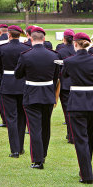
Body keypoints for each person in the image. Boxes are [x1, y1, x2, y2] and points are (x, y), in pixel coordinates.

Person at [62, 32, 93, 184]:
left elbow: (64, 76)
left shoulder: (69, 61)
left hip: (76, 102)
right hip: (92, 103)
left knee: (81, 140)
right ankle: (85, 169)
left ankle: (86, 173)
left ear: (75, 44)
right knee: (89, 138)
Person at [14, 26, 60, 169]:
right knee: (45, 126)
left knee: (34, 128)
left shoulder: (25, 55)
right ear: (44, 39)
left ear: (30, 39)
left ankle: (38, 159)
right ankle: (43, 154)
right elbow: (56, 76)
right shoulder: (54, 55)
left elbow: (18, 74)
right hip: (47, 94)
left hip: (32, 94)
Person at [0, 25, 31, 157]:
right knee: (22, 117)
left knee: (11, 118)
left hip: (8, 85)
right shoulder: (26, 48)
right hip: (22, 84)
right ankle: (20, 147)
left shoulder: (2, 48)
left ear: (9, 35)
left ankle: (15, 150)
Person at [57, 29, 76, 144]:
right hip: (77, 82)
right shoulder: (77, 49)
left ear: (64, 38)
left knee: (67, 112)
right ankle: (73, 134)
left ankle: (71, 135)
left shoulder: (60, 51)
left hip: (65, 84)